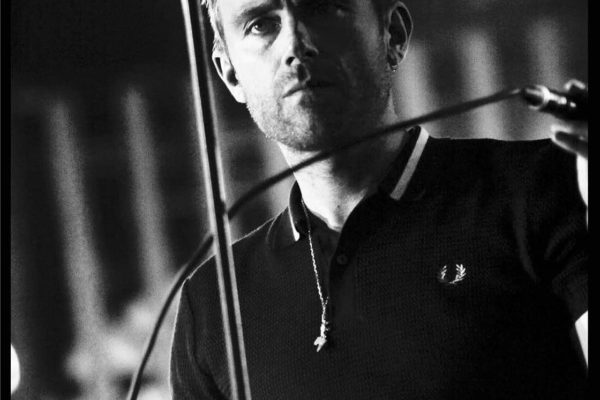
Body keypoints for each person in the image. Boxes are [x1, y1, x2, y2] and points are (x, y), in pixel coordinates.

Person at [170, 0, 588, 398]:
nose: (296, 44)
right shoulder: (211, 306)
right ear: (230, 74)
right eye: (260, 24)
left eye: (323, 7)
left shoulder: (546, 187)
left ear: (393, 33)